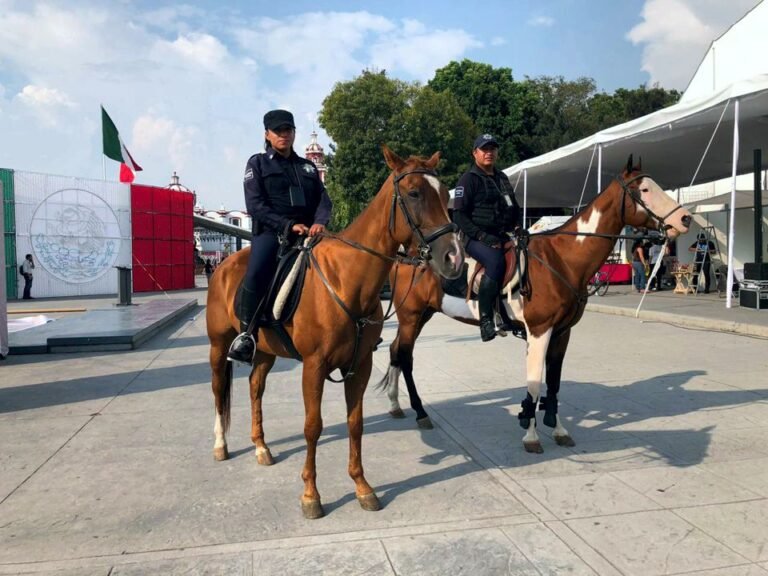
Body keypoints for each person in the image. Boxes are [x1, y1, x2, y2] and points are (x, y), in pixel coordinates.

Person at [228, 109, 332, 363]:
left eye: (288, 130)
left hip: (310, 234)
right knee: (256, 271)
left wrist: (320, 222)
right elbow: (255, 206)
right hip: (272, 233)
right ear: (267, 134)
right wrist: (287, 225)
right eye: (278, 131)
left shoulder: (307, 167)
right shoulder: (258, 164)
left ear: (294, 133)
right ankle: (246, 335)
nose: (283, 135)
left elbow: (323, 200)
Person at [452, 134, 521, 342]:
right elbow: (459, 216)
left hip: (502, 235)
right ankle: (486, 321)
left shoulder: (502, 178)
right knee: (495, 262)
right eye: (484, 149)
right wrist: (481, 236)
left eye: (492, 149)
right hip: (474, 237)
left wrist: (518, 226)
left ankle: (515, 313)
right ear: (475, 153)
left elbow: (513, 207)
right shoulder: (468, 180)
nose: (489, 153)